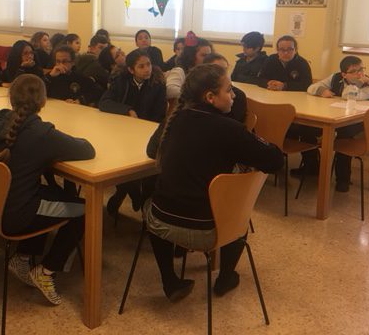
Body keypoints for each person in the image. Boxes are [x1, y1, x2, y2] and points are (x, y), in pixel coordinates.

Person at [145, 64, 283, 301]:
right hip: (207, 231)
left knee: (153, 204)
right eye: (229, 90)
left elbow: (151, 150)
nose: (234, 95)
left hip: (161, 223)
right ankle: (225, 278)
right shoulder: (230, 130)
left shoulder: (174, 119)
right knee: (238, 213)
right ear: (210, 97)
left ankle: (170, 280)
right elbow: (275, 160)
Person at [0, 74, 95, 305]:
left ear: (11, 98)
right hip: (15, 215)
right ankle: (47, 270)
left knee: (49, 193)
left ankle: (23, 257)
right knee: (89, 209)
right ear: (43, 101)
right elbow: (87, 150)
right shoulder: (42, 134)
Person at [99, 49, 167, 217]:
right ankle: (132, 191)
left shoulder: (157, 84)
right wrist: (127, 110)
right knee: (119, 160)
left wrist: (142, 125)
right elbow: (104, 102)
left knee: (141, 165)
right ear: (131, 70)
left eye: (148, 64)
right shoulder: (122, 81)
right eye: (141, 66)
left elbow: (159, 115)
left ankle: (125, 192)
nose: (147, 69)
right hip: (121, 133)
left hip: (146, 133)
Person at [306, 56, 369, 191]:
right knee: (308, 128)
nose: (360, 74)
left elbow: (349, 95)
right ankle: (312, 167)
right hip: (335, 117)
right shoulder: (335, 78)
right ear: (343, 74)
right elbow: (311, 87)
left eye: (361, 69)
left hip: (357, 122)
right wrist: (322, 90)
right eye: (354, 71)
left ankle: (343, 179)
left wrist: (357, 83)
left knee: (344, 135)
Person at [258, 35, 316, 175]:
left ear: (295, 50)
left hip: (297, 106)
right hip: (272, 103)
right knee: (261, 122)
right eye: (282, 50)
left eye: (289, 49)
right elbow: (259, 78)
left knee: (307, 130)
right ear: (277, 50)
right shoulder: (271, 60)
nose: (285, 53)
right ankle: (269, 161)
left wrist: (285, 86)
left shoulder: (302, 63)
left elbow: (307, 84)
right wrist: (268, 83)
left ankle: (312, 166)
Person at [165, 32, 212, 109]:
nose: (208, 59)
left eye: (210, 56)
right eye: (203, 55)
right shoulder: (180, 71)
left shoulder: (206, 72)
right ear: (192, 56)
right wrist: (197, 96)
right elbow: (170, 90)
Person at [203, 52, 247, 124]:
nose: (224, 74)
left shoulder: (238, 96)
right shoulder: (199, 93)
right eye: (218, 71)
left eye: (225, 70)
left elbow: (233, 126)